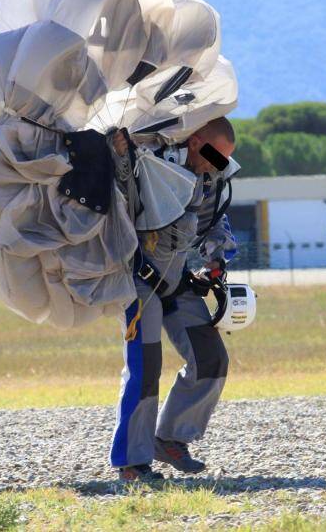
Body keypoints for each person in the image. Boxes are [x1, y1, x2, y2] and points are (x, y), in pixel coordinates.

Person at [108, 117, 237, 481]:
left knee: (211, 359)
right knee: (145, 368)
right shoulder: (148, 161)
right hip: (140, 283)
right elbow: (117, 198)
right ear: (195, 142)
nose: (217, 165)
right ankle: (131, 463)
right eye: (213, 155)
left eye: (223, 159)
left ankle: (169, 438)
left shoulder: (210, 174)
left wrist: (216, 258)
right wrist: (118, 154)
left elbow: (215, 220)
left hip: (177, 281)